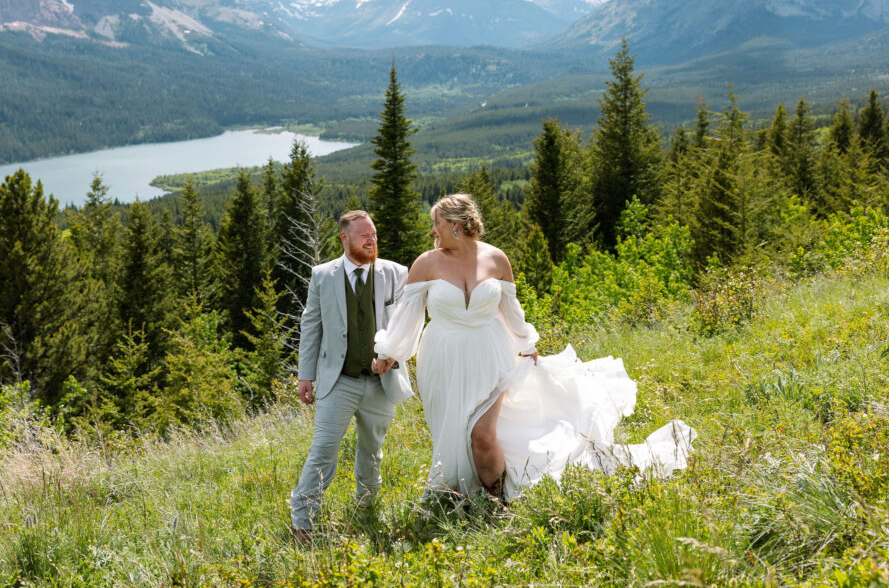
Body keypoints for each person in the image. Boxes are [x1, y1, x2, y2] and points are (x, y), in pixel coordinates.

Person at [374, 194, 695, 501]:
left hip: (492, 356)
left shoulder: (496, 259)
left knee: (481, 436)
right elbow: (407, 316)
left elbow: (511, 310)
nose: (432, 231)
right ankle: (467, 491)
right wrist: (389, 351)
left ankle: (500, 504)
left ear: (455, 225)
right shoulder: (426, 264)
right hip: (444, 361)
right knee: (456, 431)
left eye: (437, 224)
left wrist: (527, 345)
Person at [289, 210, 411, 543]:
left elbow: (406, 324)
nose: (372, 241)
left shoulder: (396, 274)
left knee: (372, 452)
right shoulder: (322, 276)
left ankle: (366, 510)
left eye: (374, 234)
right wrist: (306, 374)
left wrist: (392, 355)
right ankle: (303, 521)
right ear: (345, 238)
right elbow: (311, 325)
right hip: (337, 381)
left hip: (381, 384)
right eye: (364, 236)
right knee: (323, 449)